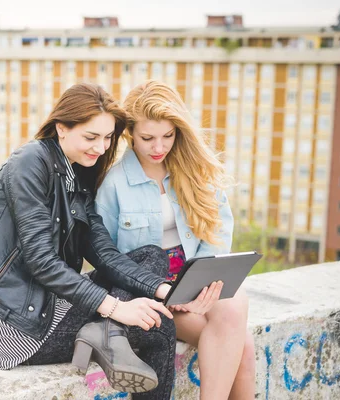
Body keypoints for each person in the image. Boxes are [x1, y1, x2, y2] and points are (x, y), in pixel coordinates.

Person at [0, 83, 179, 399]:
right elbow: (41, 261)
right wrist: (116, 308)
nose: (100, 148)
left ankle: (108, 332)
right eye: (91, 137)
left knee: (150, 256)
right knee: (159, 328)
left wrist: (167, 290)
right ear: (61, 128)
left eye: (107, 138)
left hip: (50, 302)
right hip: (16, 325)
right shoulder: (29, 163)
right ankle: (109, 331)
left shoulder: (78, 176)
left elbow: (104, 254)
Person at [95, 80, 256, 400]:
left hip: (194, 288)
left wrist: (201, 284)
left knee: (237, 312)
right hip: (150, 298)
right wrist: (161, 289)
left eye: (168, 136)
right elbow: (106, 259)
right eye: (148, 138)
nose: (159, 147)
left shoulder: (195, 172)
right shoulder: (114, 185)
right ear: (130, 134)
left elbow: (218, 231)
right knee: (243, 345)